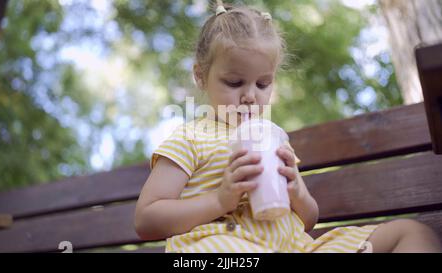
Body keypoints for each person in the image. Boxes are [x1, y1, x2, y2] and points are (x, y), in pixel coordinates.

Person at [134, 0, 441, 253]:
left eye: (263, 83)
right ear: (201, 76)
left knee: (411, 234)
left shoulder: (272, 139)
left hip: (295, 248)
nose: (250, 95)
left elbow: (306, 221)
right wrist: (219, 200)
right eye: (234, 82)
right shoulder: (191, 137)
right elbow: (147, 219)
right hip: (227, 247)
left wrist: (297, 192)